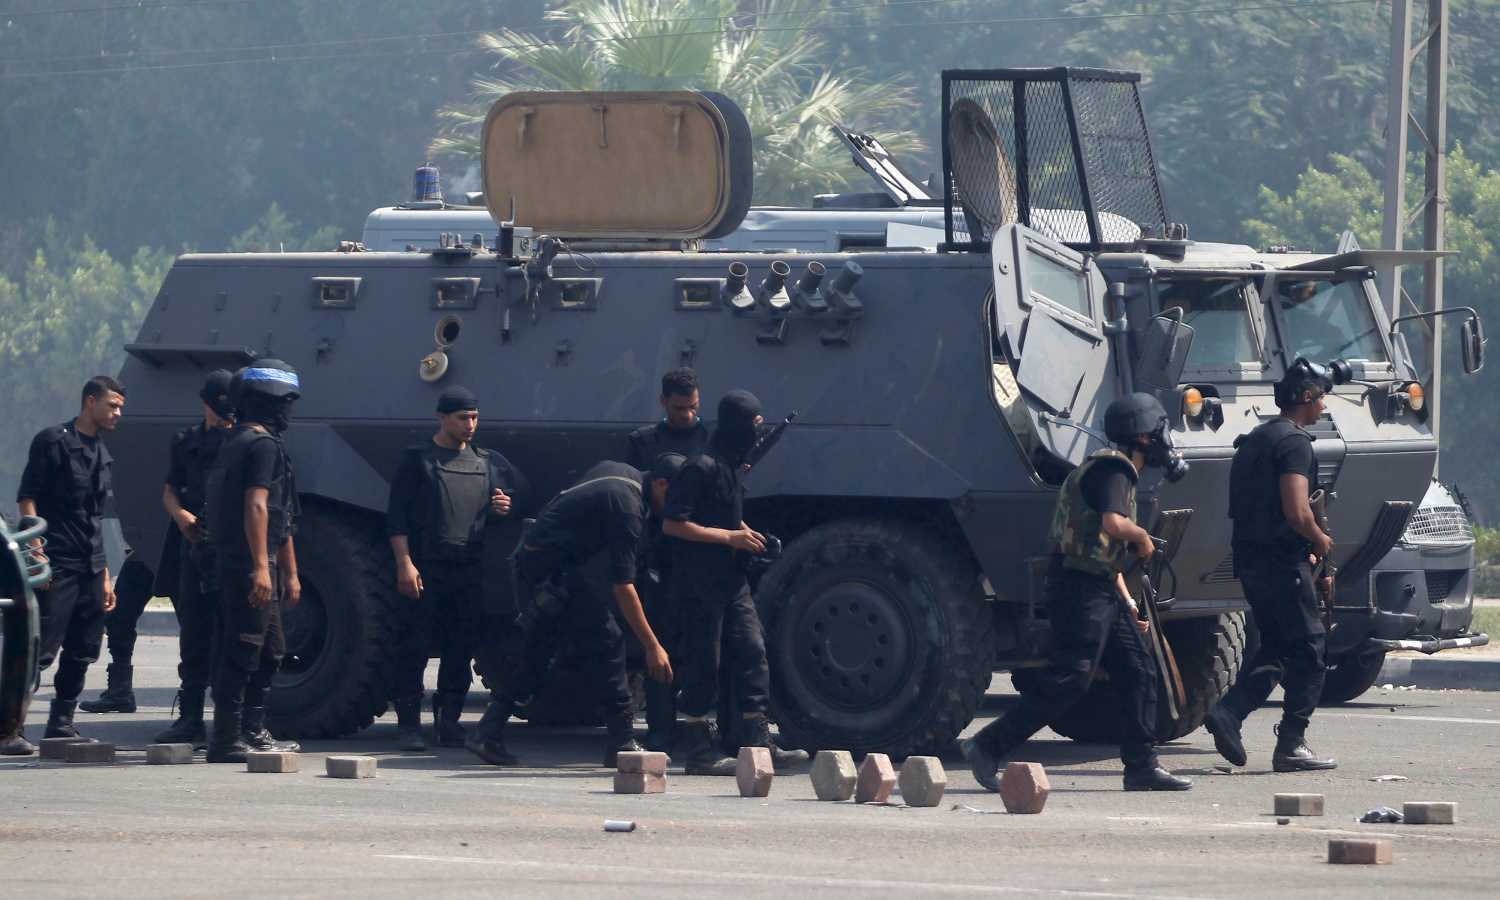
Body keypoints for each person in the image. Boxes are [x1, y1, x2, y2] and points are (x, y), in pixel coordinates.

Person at [961, 393, 1194, 793]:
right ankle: (987, 745)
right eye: (1157, 433)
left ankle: (1141, 765)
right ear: (1141, 437)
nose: (1163, 441)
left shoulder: (1111, 470)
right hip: (1080, 589)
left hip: (1099, 586)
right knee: (1071, 679)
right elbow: (1114, 524)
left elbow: (1105, 549)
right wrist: (1142, 537)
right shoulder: (1114, 470)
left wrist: (1129, 601)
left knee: (1139, 670)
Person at [466, 456, 679, 768]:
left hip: (543, 566)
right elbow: (624, 586)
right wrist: (652, 645)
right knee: (610, 640)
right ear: (661, 484)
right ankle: (621, 741)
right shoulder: (627, 506)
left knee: (537, 658)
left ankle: (486, 732)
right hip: (552, 573)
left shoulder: (623, 474)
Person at [1201, 358, 1338, 773]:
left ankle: (1228, 714)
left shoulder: (1255, 439)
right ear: (1308, 397)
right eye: (1322, 398)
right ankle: (1292, 744)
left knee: (1279, 646)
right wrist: (1321, 539)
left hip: (1251, 560)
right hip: (1281, 562)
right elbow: (1297, 510)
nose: (1325, 406)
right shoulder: (1294, 442)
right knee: (1311, 648)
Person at [661, 390, 799, 776]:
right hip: (701, 581)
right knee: (706, 661)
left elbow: (724, 515)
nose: (757, 434)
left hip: (731, 580)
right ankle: (699, 749)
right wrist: (729, 538)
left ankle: (758, 741)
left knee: (753, 651)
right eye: (753, 425)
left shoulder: (731, 467)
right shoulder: (699, 467)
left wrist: (750, 536)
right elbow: (673, 523)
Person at [386, 385, 528, 751]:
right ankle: (409, 726)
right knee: (414, 646)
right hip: (426, 566)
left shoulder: (487, 461)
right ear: (442, 417)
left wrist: (502, 507)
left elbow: (513, 499)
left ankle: (448, 722)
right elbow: (397, 517)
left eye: (475, 417)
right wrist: (404, 563)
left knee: (460, 648)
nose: (470, 425)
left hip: (468, 568)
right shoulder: (418, 460)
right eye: (463, 418)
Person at [3, 377, 126, 754]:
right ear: (90, 402)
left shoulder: (102, 454)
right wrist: (35, 548)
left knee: (84, 647)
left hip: (90, 563)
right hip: (56, 562)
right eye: (112, 406)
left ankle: (61, 725)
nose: (117, 414)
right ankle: (8, 729)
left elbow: (95, 520)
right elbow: (28, 497)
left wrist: (105, 575)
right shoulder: (54, 441)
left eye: (120, 407)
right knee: (40, 648)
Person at [203, 361, 303, 763]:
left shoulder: (240, 442)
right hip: (247, 565)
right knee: (243, 649)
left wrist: (290, 572)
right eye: (286, 402)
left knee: (271, 650)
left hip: (259, 562)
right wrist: (261, 567)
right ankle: (227, 739)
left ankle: (253, 731)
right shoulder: (259, 445)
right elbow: (257, 506)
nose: (289, 411)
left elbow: (282, 515)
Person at [147, 370, 236, 747]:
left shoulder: (242, 441)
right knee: (195, 636)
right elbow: (169, 492)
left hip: (230, 548)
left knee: (233, 637)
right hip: (195, 545)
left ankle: (233, 724)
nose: (223, 414)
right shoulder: (186, 442)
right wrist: (182, 517)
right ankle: (191, 719)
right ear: (206, 402)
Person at [625, 367, 708, 752]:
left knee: (703, 643)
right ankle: (659, 725)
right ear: (663, 403)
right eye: (679, 408)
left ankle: (699, 724)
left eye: (692, 407)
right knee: (660, 641)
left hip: (703, 549)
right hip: (660, 551)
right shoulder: (643, 442)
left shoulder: (710, 438)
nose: (687, 416)